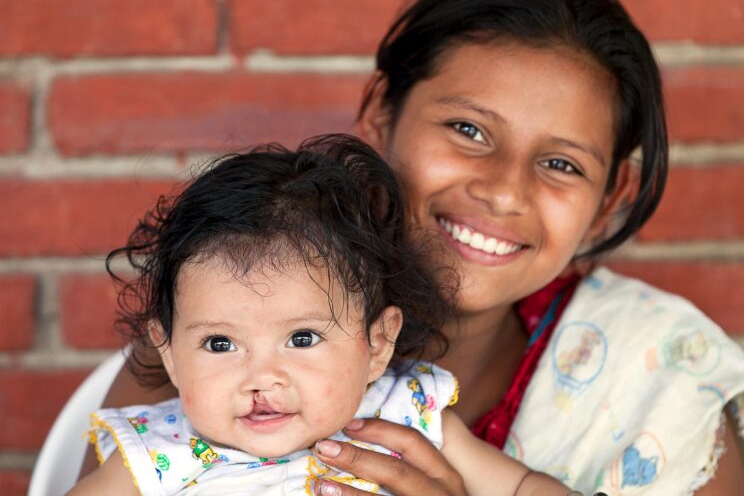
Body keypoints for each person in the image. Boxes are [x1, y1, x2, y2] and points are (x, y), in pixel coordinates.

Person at [82, 0, 744, 495]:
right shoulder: (213, 344)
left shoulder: (664, 380)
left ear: (612, 198)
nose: (504, 190)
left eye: (561, 164)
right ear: (381, 116)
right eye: (468, 129)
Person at [69, 136, 571, 495]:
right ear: (170, 355)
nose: (261, 378)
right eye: (220, 344)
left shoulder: (405, 413)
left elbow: (521, 486)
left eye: (303, 338)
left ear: (376, 344)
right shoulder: (156, 455)